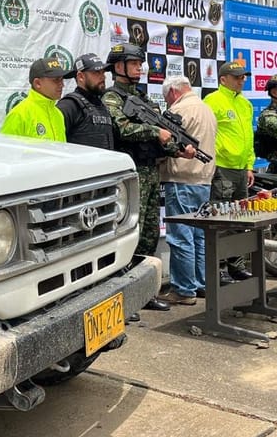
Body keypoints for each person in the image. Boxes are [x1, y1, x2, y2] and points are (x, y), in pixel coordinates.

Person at [102, 42, 195, 314]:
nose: (140, 68)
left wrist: (179, 149)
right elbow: (121, 129)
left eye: (140, 63)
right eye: (134, 64)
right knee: (131, 232)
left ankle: (145, 292)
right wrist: (155, 133)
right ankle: (124, 296)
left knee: (150, 234)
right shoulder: (112, 98)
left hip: (151, 171)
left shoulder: (143, 98)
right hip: (130, 173)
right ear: (119, 67)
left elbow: (162, 131)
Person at [159, 75, 217, 304]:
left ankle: (183, 290)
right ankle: (201, 284)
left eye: (167, 99)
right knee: (199, 236)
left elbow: (168, 144)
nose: (167, 104)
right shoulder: (206, 109)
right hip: (204, 179)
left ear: (173, 92)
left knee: (181, 236)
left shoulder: (180, 110)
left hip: (181, 177)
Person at [204, 60, 256, 283]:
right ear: (223, 79)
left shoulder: (245, 104)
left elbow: (249, 138)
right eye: (237, 77)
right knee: (220, 220)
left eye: (243, 77)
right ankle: (218, 268)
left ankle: (236, 265)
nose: (241, 80)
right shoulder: (212, 101)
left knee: (239, 220)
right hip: (222, 169)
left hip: (241, 170)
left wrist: (250, 165)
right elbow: (207, 135)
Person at [0, 57, 72, 141]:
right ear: (37, 83)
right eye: (56, 80)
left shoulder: (58, 114)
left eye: (62, 80)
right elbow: (6, 152)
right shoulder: (19, 114)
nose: (62, 85)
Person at [56, 52, 114, 149]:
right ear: (81, 77)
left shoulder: (101, 105)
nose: (103, 77)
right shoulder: (69, 105)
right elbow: (56, 144)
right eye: (96, 72)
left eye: (103, 72)